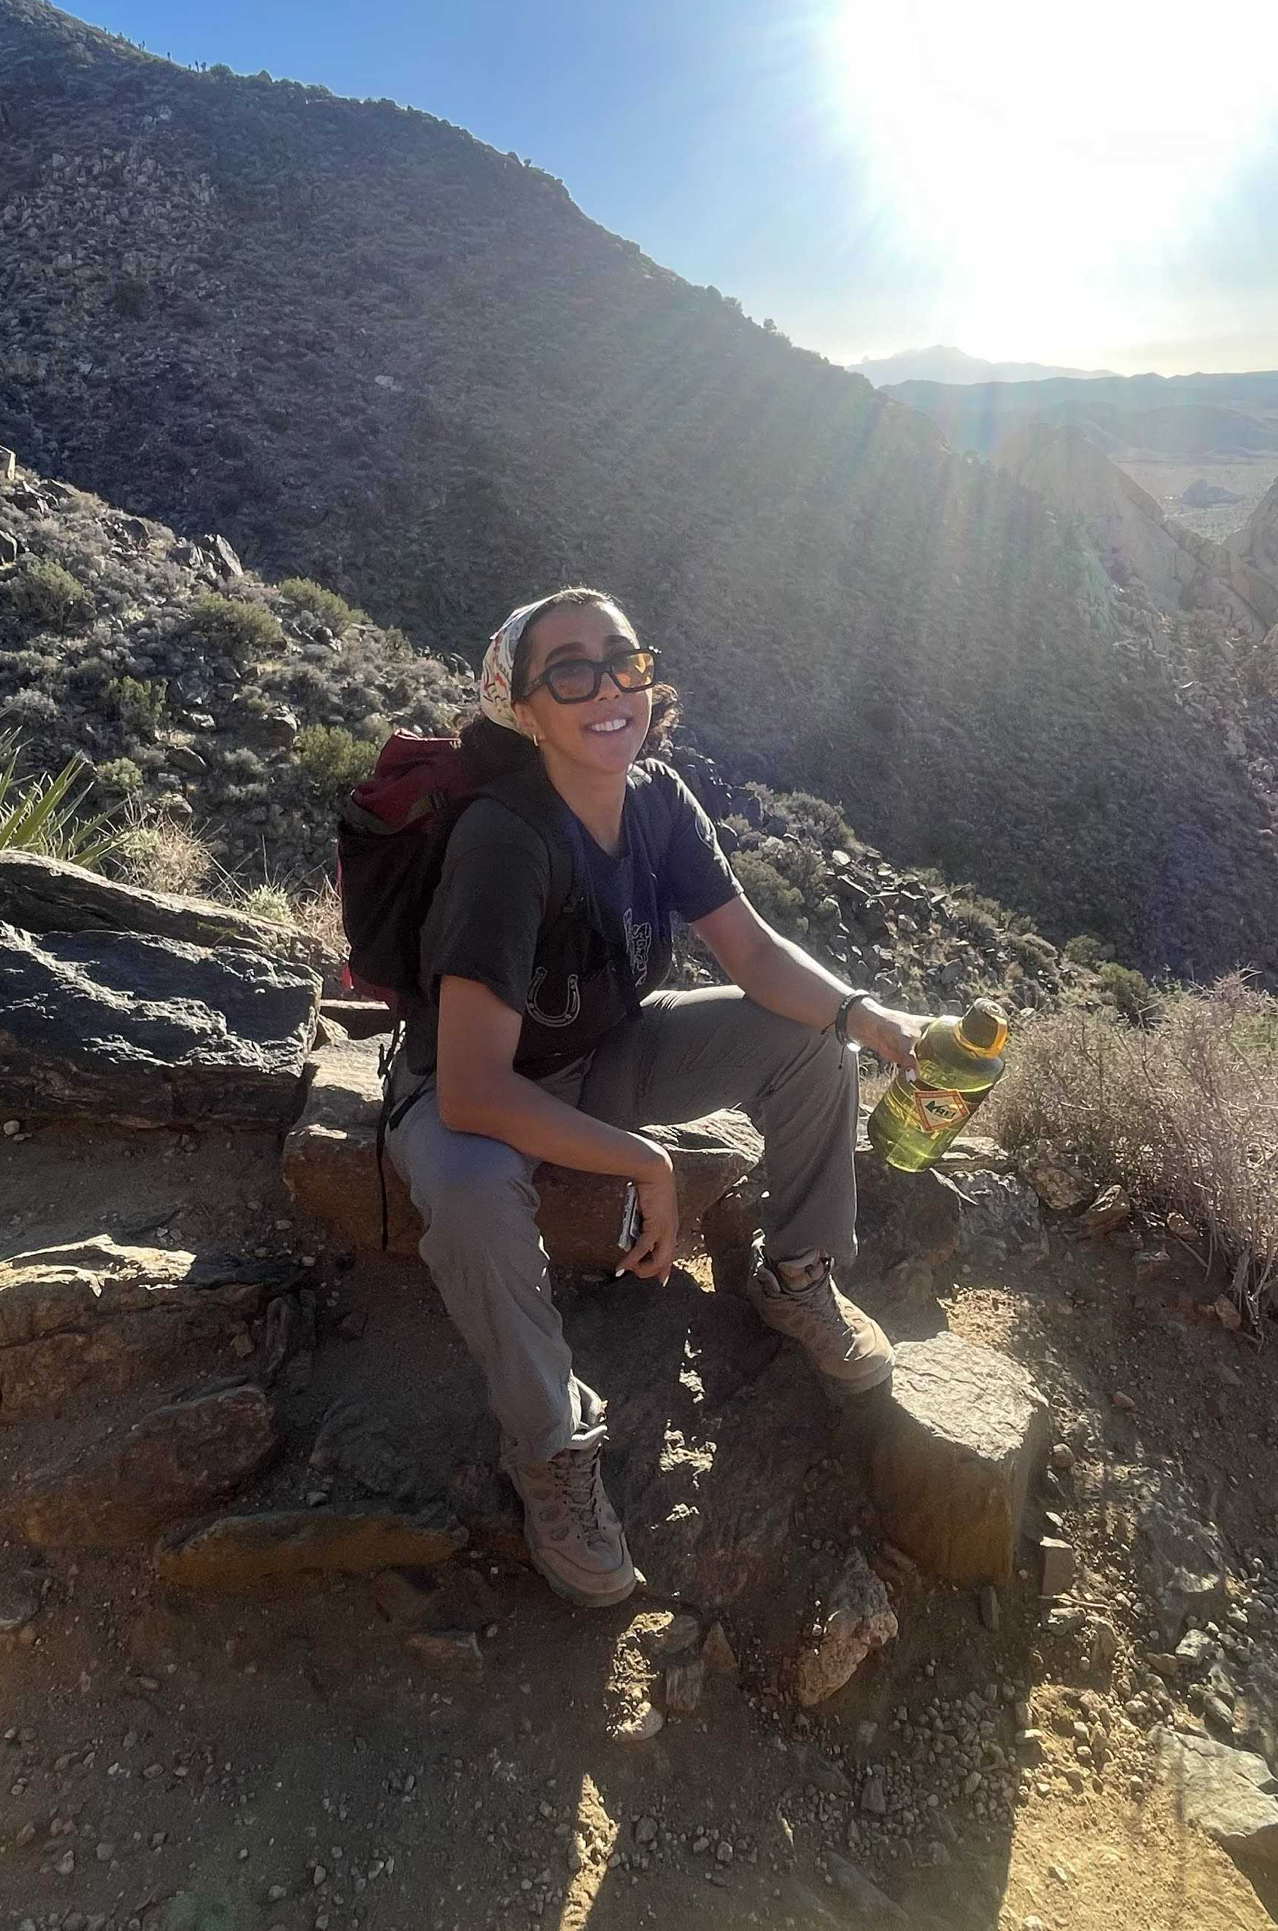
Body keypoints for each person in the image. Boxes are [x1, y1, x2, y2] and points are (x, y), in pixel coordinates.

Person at [385, 586, 926, 1607]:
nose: (605, 688)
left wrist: (868, 1017)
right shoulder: (505, 840)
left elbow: (755, 957)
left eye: (621, 660)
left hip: (607, 1053)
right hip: (477, 1091)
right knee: (463, 1188)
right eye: (569, 671)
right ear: (524, 708)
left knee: (810, 1040)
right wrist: (643, 1162)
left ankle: (796, 1271)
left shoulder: (657, 800)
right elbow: (470, 1085)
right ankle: (549, 1450)